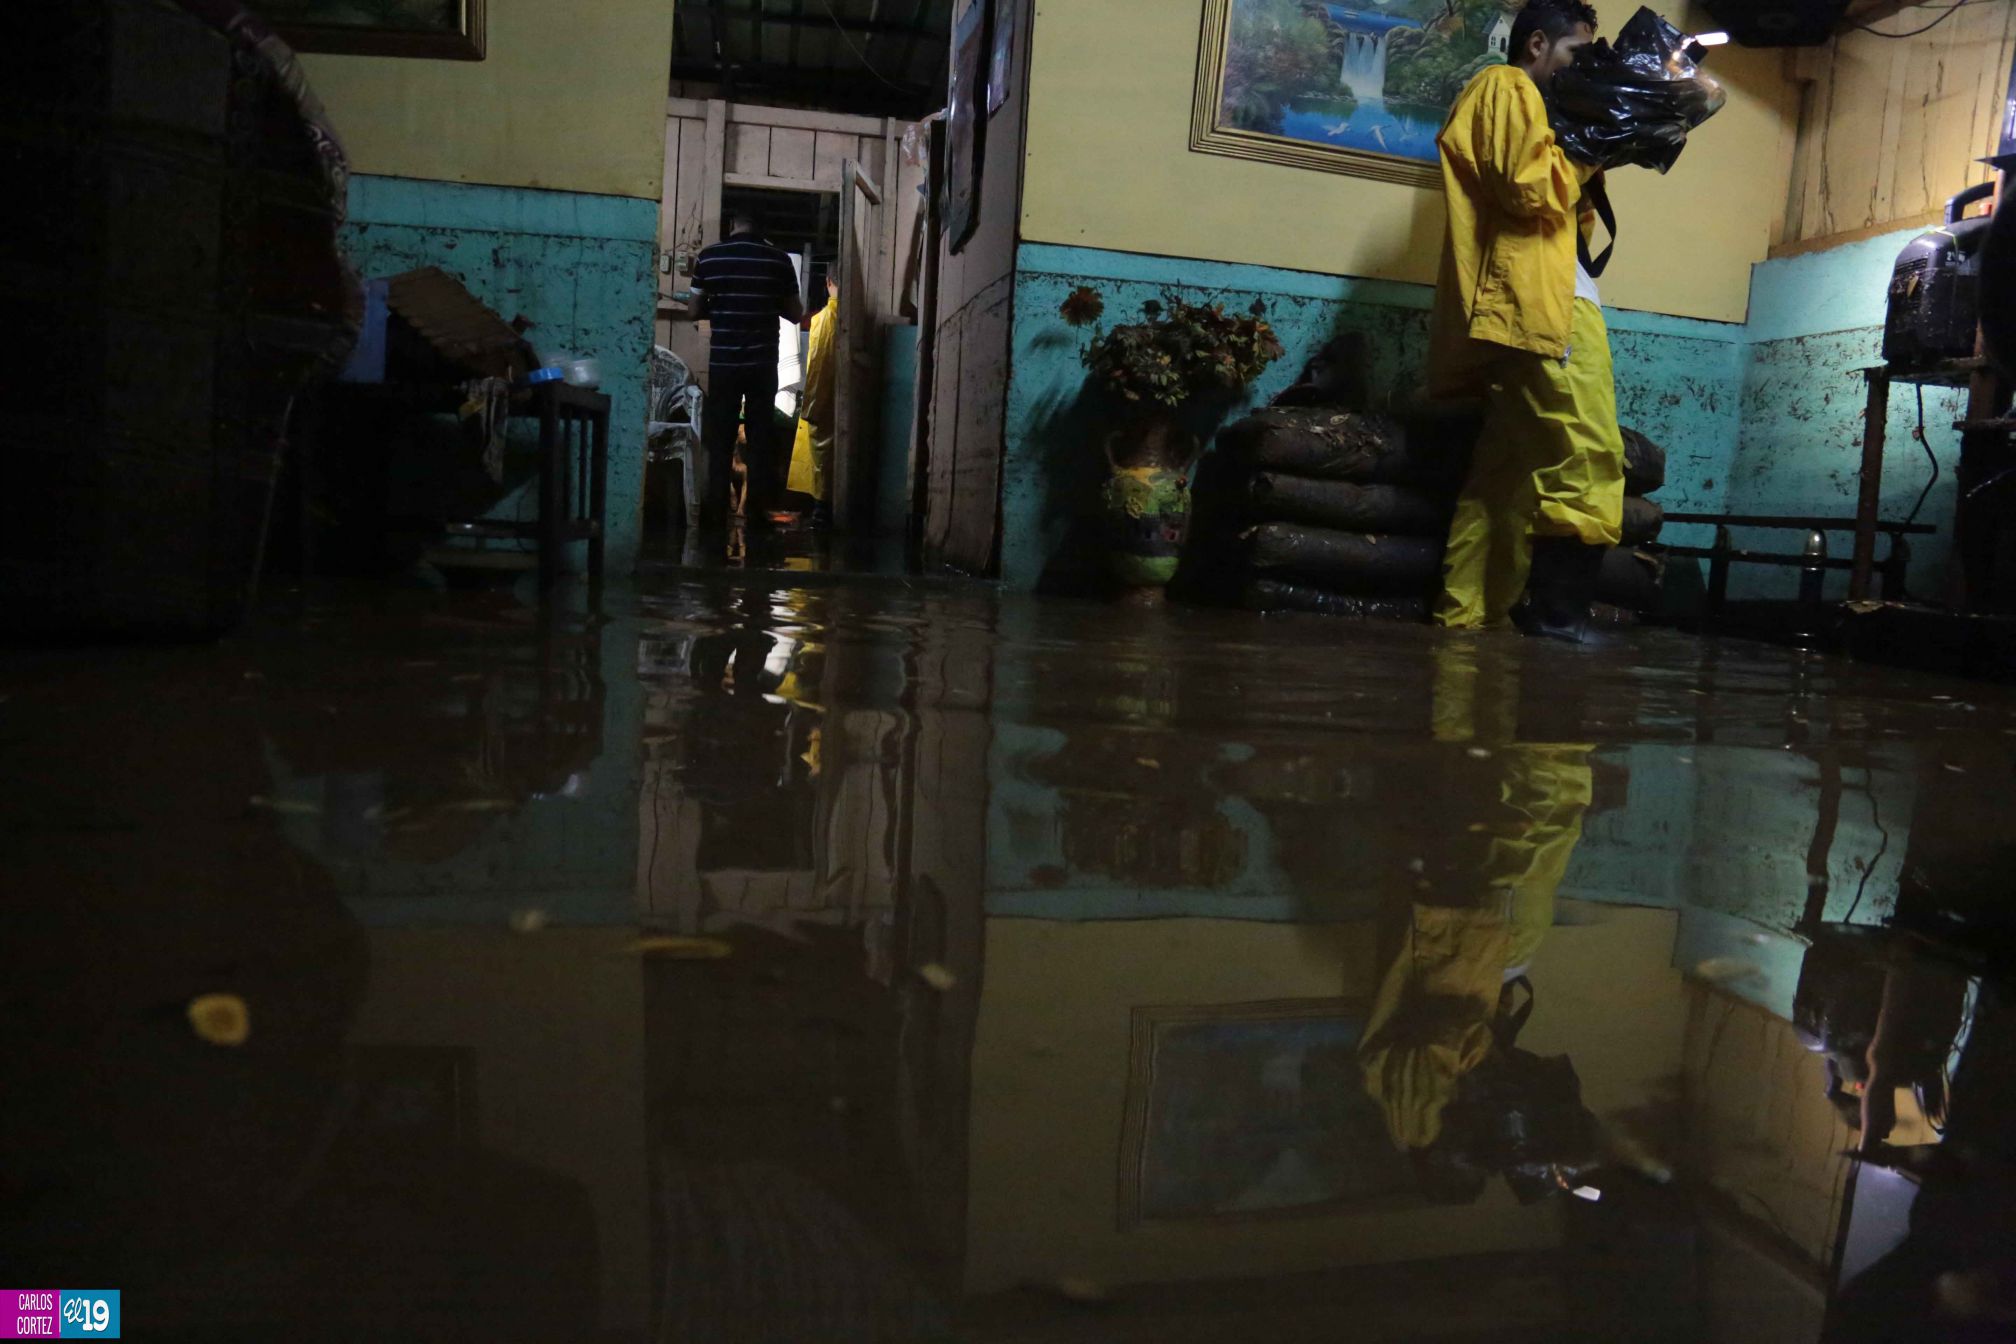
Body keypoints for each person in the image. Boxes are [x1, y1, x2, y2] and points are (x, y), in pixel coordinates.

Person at [1429, 0, 1624, 643]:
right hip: (1545, 308)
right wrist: (1597, 141)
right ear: (1536, 43)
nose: (1578, 70)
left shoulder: (1540, 113)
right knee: (1588, 452)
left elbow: (1558, 205)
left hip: (1523, 306)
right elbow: (1530, 188)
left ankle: (1465, 620)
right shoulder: (1505, 84)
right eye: (1574, 54)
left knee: (1505, 479)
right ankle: (1559, 616)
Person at [690, 213, 805, 530]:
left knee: (721, 439)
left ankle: (714, 515)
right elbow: (796, 314)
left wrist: (719, 303)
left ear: (732, 227)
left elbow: (693, 311)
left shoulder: (709, 257)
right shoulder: (779, 260)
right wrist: (770, 303)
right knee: (760, 439)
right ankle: (755, 513)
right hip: (762, 364)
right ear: (761, 229)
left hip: (725, 364)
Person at [786, 273, 841, 524]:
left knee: (822, 453)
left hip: (824, 398)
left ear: (829, 281)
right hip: (848, 400)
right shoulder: (851, 318)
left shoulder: (823, 320)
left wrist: (810, 405)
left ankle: (821, 509)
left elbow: (818, 366)